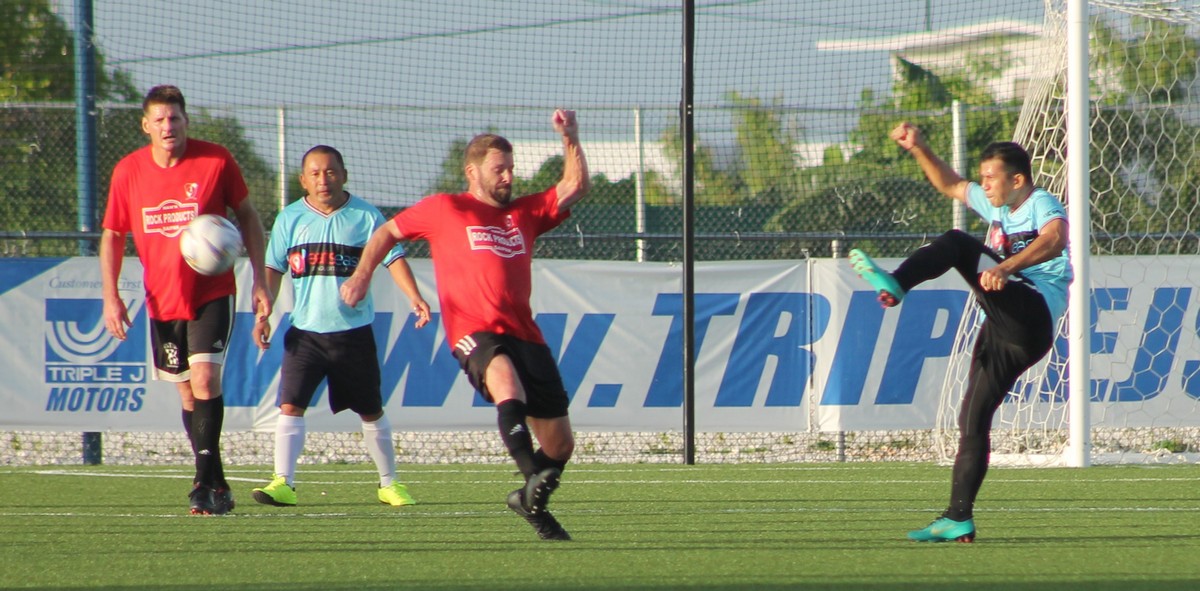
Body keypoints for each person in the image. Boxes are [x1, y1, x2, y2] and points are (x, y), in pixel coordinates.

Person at [340, 110, 589, 541]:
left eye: (511, 168)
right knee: (506, 385)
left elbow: (575, 187)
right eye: (500, 169)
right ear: (472, 172)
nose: (509, 176)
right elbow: (386, 233)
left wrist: (570, 138)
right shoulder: (445, 208)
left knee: (561, 445)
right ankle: (531, 477)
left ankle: (528, 499)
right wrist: (362, 275)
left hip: (525, 332)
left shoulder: (524, 213)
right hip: (475, 330)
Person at [849, 122, 1072, 542]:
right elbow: (950, 183)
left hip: (1033, 313)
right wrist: (918, 148)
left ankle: (897, 283)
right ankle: (958, 518)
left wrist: (1005, 266)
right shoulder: (998, 207)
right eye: (983, 177)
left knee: (956, 242)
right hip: (1007, 332)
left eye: (991, 177)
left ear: (1017, 179)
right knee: (971, 419)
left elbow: (1056, 239)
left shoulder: (1040, 203)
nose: (984, 184)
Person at [100, 85, 273, 515]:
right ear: (145, 126)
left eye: (174, 118)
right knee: (187, 396)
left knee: (205, 382)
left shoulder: (215, 160)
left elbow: (249, 216)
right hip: (162, 298)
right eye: (158, 120)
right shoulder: (129, 171)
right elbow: (113, 235)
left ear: (185, 121)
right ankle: (217, 481)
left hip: (212, 293)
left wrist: (260, 281)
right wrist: (111, 297)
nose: (167, 126)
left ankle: (200, 482)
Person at [250, 145, 432, 508]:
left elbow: (393, 258)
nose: (323, 179)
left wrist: (415, 296)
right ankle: (282, 483)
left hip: (353, 334)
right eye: (314, 173)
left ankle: (389, 483)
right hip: (305, 333)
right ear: (302, 180)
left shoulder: (365, 217)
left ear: (344, 174)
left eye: (330, 171)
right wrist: (263, 313)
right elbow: (273, 269)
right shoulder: (289, 218)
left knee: (370, 410)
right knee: (290, 406)